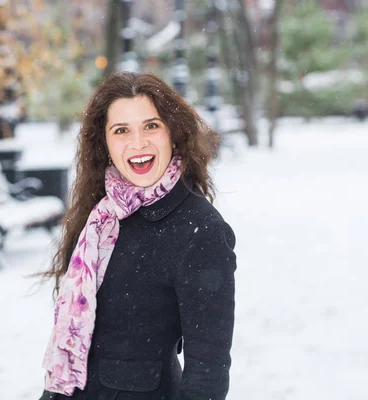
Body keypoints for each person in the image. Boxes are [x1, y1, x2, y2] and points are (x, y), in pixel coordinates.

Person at [39, 72, 237, 400]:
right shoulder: (103, 214)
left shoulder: (200, 230)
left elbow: (208, 373)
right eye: (121, 131)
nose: (138, 143)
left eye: (151, 126)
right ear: (104, 142)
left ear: (173, 134)